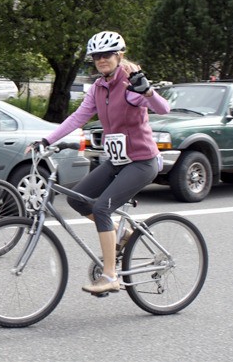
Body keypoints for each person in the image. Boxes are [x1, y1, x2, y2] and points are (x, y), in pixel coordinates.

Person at [28, 31, 170, 295]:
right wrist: (45, 140)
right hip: (117, 161)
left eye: (107, 55)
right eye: (96, 56)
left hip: (142, 161)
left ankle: (110, 276)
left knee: (102, 208)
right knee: (77, 199)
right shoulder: (98, 87)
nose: (101, 60)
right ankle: (121, 236)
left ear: (119, 55)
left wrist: (149, 92)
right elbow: (77, 118)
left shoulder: (131, 84)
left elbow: (163, 109)